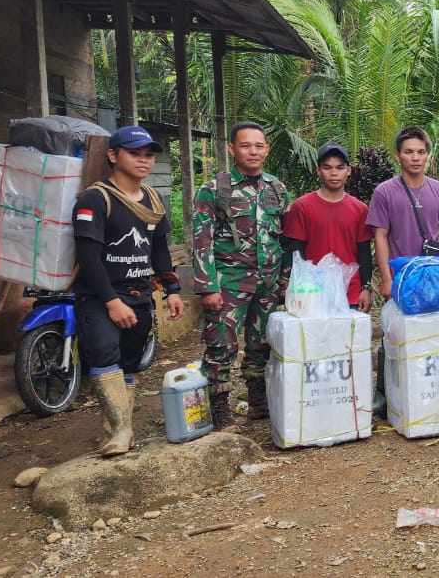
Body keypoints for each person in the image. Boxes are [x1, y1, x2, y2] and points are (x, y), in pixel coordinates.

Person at [73, 126, 185, 456]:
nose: (143, 160)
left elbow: (159, 250)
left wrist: (172, 289)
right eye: (134, 153)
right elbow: (87, 256)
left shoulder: (152, 199)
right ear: (113, 156)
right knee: (105, 354)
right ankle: (122, 431)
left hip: (138, 295)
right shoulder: (96, 199)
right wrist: (109, 301)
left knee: (129, 363)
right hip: (100, 297)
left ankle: (115, 432)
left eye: (148, 154)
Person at [192, 121, 291, 428]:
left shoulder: (277, 189)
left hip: (268, 283)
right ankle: (219, 415)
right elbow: (201, 240)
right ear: (232, 149)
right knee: (222, 346)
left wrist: (286, 279)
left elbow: (286, 239)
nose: (253, 151)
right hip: (229, 284)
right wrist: (207, 287)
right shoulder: (215, 189)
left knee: (262, 345)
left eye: (259, 146)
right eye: (246, 146)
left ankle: (259, 405)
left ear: (267, 150)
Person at [366, 126, 439, 298]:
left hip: (434, 276)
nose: (416, 158)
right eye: (409, 152)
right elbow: (380, 236)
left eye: (421, 152)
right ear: (398, 156)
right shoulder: (384, 192)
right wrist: (387, 280)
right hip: (401, 277)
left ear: (427, 155)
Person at [282, 142, 375, 311]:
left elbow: (364, 251)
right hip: (312, 292)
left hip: (350, 293)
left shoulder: (360, 209)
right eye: (327, 167)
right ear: (318, 170)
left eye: (339, 167)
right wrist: (296, 286)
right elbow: (296, 251)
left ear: (348, 170)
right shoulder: (302, 206)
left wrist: (366, 287)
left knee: (348, 337)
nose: (334, 173)